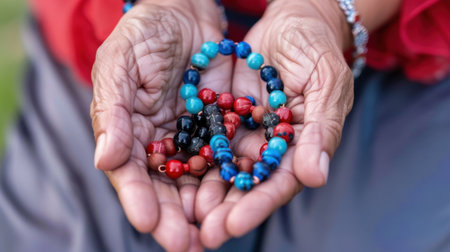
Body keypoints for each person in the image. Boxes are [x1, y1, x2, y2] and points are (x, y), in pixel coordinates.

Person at [1, 0, 449, 251]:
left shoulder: (226, 119)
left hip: (391, 36)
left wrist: (326, 10)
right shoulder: (203, 120)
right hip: (131, 30)